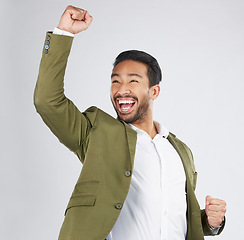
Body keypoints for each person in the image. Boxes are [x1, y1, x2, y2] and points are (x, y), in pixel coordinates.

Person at [34, 5, 226, 240]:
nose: (121, 89)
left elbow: (173, 215)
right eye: (115, 81)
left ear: (154, 91)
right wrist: (64, 33)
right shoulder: (96, 133)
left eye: (133, 81)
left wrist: (211, 222)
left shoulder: (180, 151)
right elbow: (47, 101)